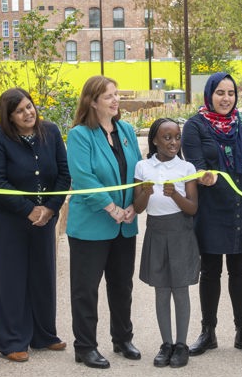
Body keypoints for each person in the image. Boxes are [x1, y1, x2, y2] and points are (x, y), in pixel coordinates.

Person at [182, 72, 242, 357]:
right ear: (209, 94)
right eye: (220, 92)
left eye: (230, 93)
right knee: (211, 271)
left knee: (240, 271)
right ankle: (208, 332)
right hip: (211, 207)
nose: (226, 98)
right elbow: (195, 163)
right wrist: (203, 175)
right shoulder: (195, 126)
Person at [0, 88, 70, 362]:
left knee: (43, 276)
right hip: (10, 221)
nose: (28, 113)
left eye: (29, 106)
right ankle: (12, 341)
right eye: (20, 110)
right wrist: (28, 210)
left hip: (44, 219)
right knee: (11, 280)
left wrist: (49, 208)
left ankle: (44, 335)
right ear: (9, 116)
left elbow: (64, 174)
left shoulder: (51, 132)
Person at [66, 75, 143, 369]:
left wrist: (136, 205)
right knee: (86, 289)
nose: (116, 100)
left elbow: (139, 170)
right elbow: (84, 177)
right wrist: (112, 208)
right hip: (92, 225)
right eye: (108, 96)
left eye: (117, 94)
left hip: (126, 222)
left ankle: (122, 339)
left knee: (122, 285)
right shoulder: (80, 135)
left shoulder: (124, 129)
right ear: (92, 101)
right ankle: (84, 346)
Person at [132, 118, 200, 369]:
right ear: (154, 140)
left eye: (177, 137)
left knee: (180, 290)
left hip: (181, 233)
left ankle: (182, 345)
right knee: (161, 290)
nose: (174, 142)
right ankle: (166, 343)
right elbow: (139, 208)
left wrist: (176, 195)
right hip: (156, 232)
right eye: (167, 137)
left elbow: (192, 208)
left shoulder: (186, 167)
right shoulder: (142, 167)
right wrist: (146, 193)